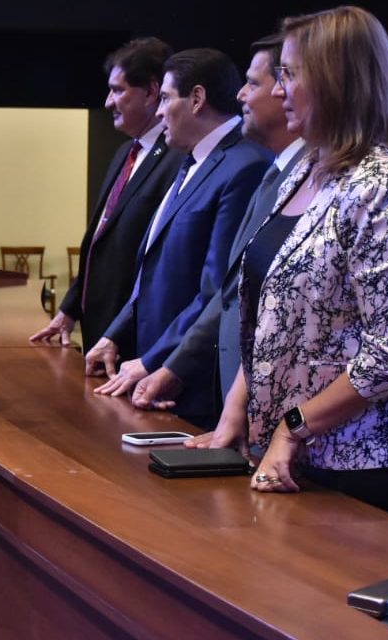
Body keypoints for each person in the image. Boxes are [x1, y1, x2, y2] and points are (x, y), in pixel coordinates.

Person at [187, 6, 388, 518]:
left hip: (362, 469)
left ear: (335, 81)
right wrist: (235, 414)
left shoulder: (384, 191)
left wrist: (294, 425)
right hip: (286, 457)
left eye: (289, 74)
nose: (277, 90)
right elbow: (270, 322)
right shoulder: (306, 167)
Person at [85, 48, 269, 427]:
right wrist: (116, 335)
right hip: (154, 375)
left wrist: (158, 361)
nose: (158, 111)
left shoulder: (244, 166)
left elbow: (216, 289)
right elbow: (152, 274)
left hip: (191, 385)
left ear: (197, 99)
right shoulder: (189, 159)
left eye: (166, 99)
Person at [131, 34, 305, 414]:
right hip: (237, 398)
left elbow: (224, 294)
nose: (242, 95)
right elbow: (235, 290)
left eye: (254, 83)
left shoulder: (249, 166)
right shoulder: (274, 173)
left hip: (295, 424)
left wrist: (170, 366)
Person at [31, 38, 185, 352]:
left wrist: (119, 334)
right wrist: (70, 309)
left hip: (133, 343)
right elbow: (101, 243)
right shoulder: (124, 154)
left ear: (151, 91)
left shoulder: (178, 160)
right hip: (98, 332)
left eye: (118, 90)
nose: (108, 102)